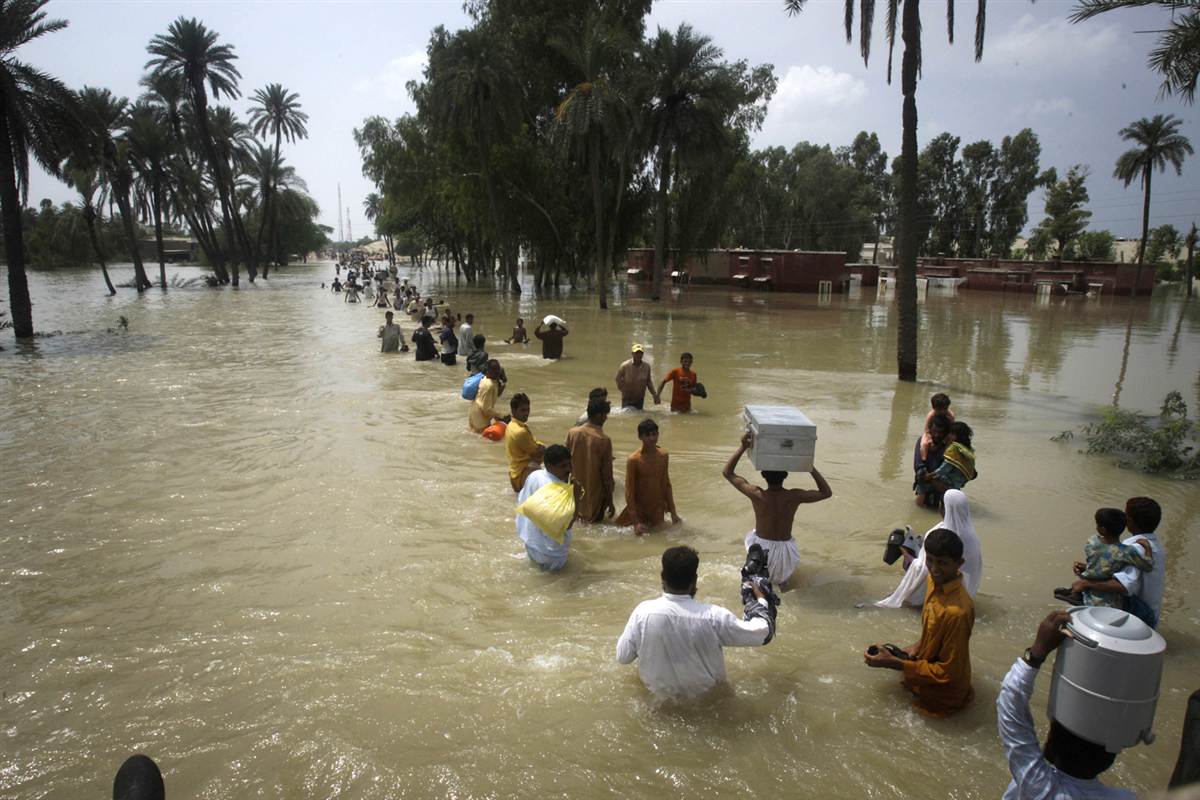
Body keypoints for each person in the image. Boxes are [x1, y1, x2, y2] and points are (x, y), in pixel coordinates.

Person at [996, 611, 1134, 799]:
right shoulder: (1126, 797)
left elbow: (1010, 705)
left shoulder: (1041, 787)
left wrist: (1036, 652)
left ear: (1051, 741)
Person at [616, 545, 776, 699]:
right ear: (695, 579)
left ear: (662, 577)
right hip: (709, 705)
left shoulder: (642, 613)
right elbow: (763, 632)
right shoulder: (714, 617)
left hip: (660, 705)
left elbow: (623, 657)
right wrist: (760, 600)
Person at [864, 528, 974, 717]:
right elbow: (932, 633)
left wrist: (896, 664)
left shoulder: (958, 612)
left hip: (943, 698)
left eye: (942, 563)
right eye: (930, 560)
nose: (934, 569)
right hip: (922, 677)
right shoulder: (933, 581)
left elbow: (947, 673)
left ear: (959, 564)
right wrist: (909, 651)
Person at [722, 431, 832, 587]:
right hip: (784, 551)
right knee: (782, 587)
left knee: (758, 587)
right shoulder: (793, 496)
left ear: (763, 475)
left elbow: (727, 472)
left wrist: (743, 446)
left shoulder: (757, 494)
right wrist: (809, 466)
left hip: (761, 550)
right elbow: (826, 493)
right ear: (786, 476)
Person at [876, 488, 983, 608]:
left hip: (938, 592)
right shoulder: (973, 537)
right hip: (963, 592)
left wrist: (907, 555)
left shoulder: (940, 532)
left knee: (897, 602)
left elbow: (923, 569)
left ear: (942, 508)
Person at [1070, 496, 1165, 629]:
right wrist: (1089, 568)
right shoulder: (1156, 545)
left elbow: (1124, 586)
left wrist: (1085, 583)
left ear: (1129, 520)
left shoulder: (1136, 548)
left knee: (1086, 594)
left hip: (1138, 613)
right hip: (1149, 613)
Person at [1054, 507, 1152, 607]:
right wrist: (1148, 548)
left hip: (1088, 594)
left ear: (1102, 529)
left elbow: (1101, 563)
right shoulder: (1126, 551)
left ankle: (1075, 593)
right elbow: (1148, 566)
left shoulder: (1092, 541)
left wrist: (1086, 567)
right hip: (1110, 600)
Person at [515, 444, 577, 571]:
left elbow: (522, 499)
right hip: (551, 552)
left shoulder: (535, 475)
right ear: (549, 465)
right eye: (563, 466)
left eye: (569, 464)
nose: (568, 469)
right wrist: (577, 498)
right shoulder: (559, 490)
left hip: (530, 541)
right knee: (559, 580)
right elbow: (566, 525)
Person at [615, 419, 680, 535]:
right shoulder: (634, 460)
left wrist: (673, 513)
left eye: (654, 434)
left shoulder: (663, 456)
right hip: (639, 511)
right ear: (640, 437)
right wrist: (636, 523)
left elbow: (666, 485)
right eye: (648, 435)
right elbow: (629, 492)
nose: (652, 438)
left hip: (657, 510)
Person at [565, 398, 615, 523]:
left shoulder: (572, 433)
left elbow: (565, 461)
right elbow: (607, 476)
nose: (606, 418)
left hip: (575, 490)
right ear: (598, 415)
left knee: (576, 521)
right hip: (595, 494)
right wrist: (610, 500)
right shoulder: (604, 440)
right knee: (593, 524)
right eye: (605, 415)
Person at [505, 393, 545, 492]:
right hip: (525, 474)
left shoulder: (511, 425)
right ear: (513, 411)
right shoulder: (521, 431)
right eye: (522, 410)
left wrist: (540, 447)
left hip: (515, 474)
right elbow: (537, 452)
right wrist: (542, 448)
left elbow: (535, 445)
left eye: (528, 410)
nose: (526, 413)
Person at [925, 420, 976, 492]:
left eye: (952, 434)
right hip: (958, 485)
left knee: (922, 481)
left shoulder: (954, 448)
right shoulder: (968, 449)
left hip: (948, 483)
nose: (949, 436)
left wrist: (930, 475)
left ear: (959, 436)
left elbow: (944, 469)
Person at [913, 414, 951, 507]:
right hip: (926, 482)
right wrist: (935, 483)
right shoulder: (923, 443)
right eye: (934, 431)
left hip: (943, 485)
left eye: (940, 432)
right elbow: (919, 467)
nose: (936, 435)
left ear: (946, 433)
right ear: (929, 430)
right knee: (921, 509)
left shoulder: (950, 446)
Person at [615, 344, 661, 410]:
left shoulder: (647, 366)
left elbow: (648, 381)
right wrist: (622, 389)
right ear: (632, 354)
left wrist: (654, 394)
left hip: (640, 399)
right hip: (627, 398)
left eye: (640, 353)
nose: (638, 355)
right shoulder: (625, 365)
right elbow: (617, 378)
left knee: (638, 415)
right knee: (627, 414)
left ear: (643, 354)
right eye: (636, 353)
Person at [469, 359, 508, 434]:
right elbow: (486, 409)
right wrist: (501, 416)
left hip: (474, 411)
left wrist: (503, 384)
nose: (497, 372)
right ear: (488, 371)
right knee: (483, 438)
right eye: (494, 370)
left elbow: (496, 395)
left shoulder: (487, 379)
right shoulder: (489, 386)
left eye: (498, 369)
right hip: (480, 417)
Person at [920, 393, 954, 460]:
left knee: (951, 445)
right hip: (931, 434)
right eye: (939, 409)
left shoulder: (950, 415)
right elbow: (926, 429)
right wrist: (931, 440)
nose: (942, 411)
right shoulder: (931, 415)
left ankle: (947, 459)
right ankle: (923, 460)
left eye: (945, 408)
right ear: (934, 408)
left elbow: (952, 429)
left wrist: (945, 440)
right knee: (924, 444)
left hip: (945, 434)